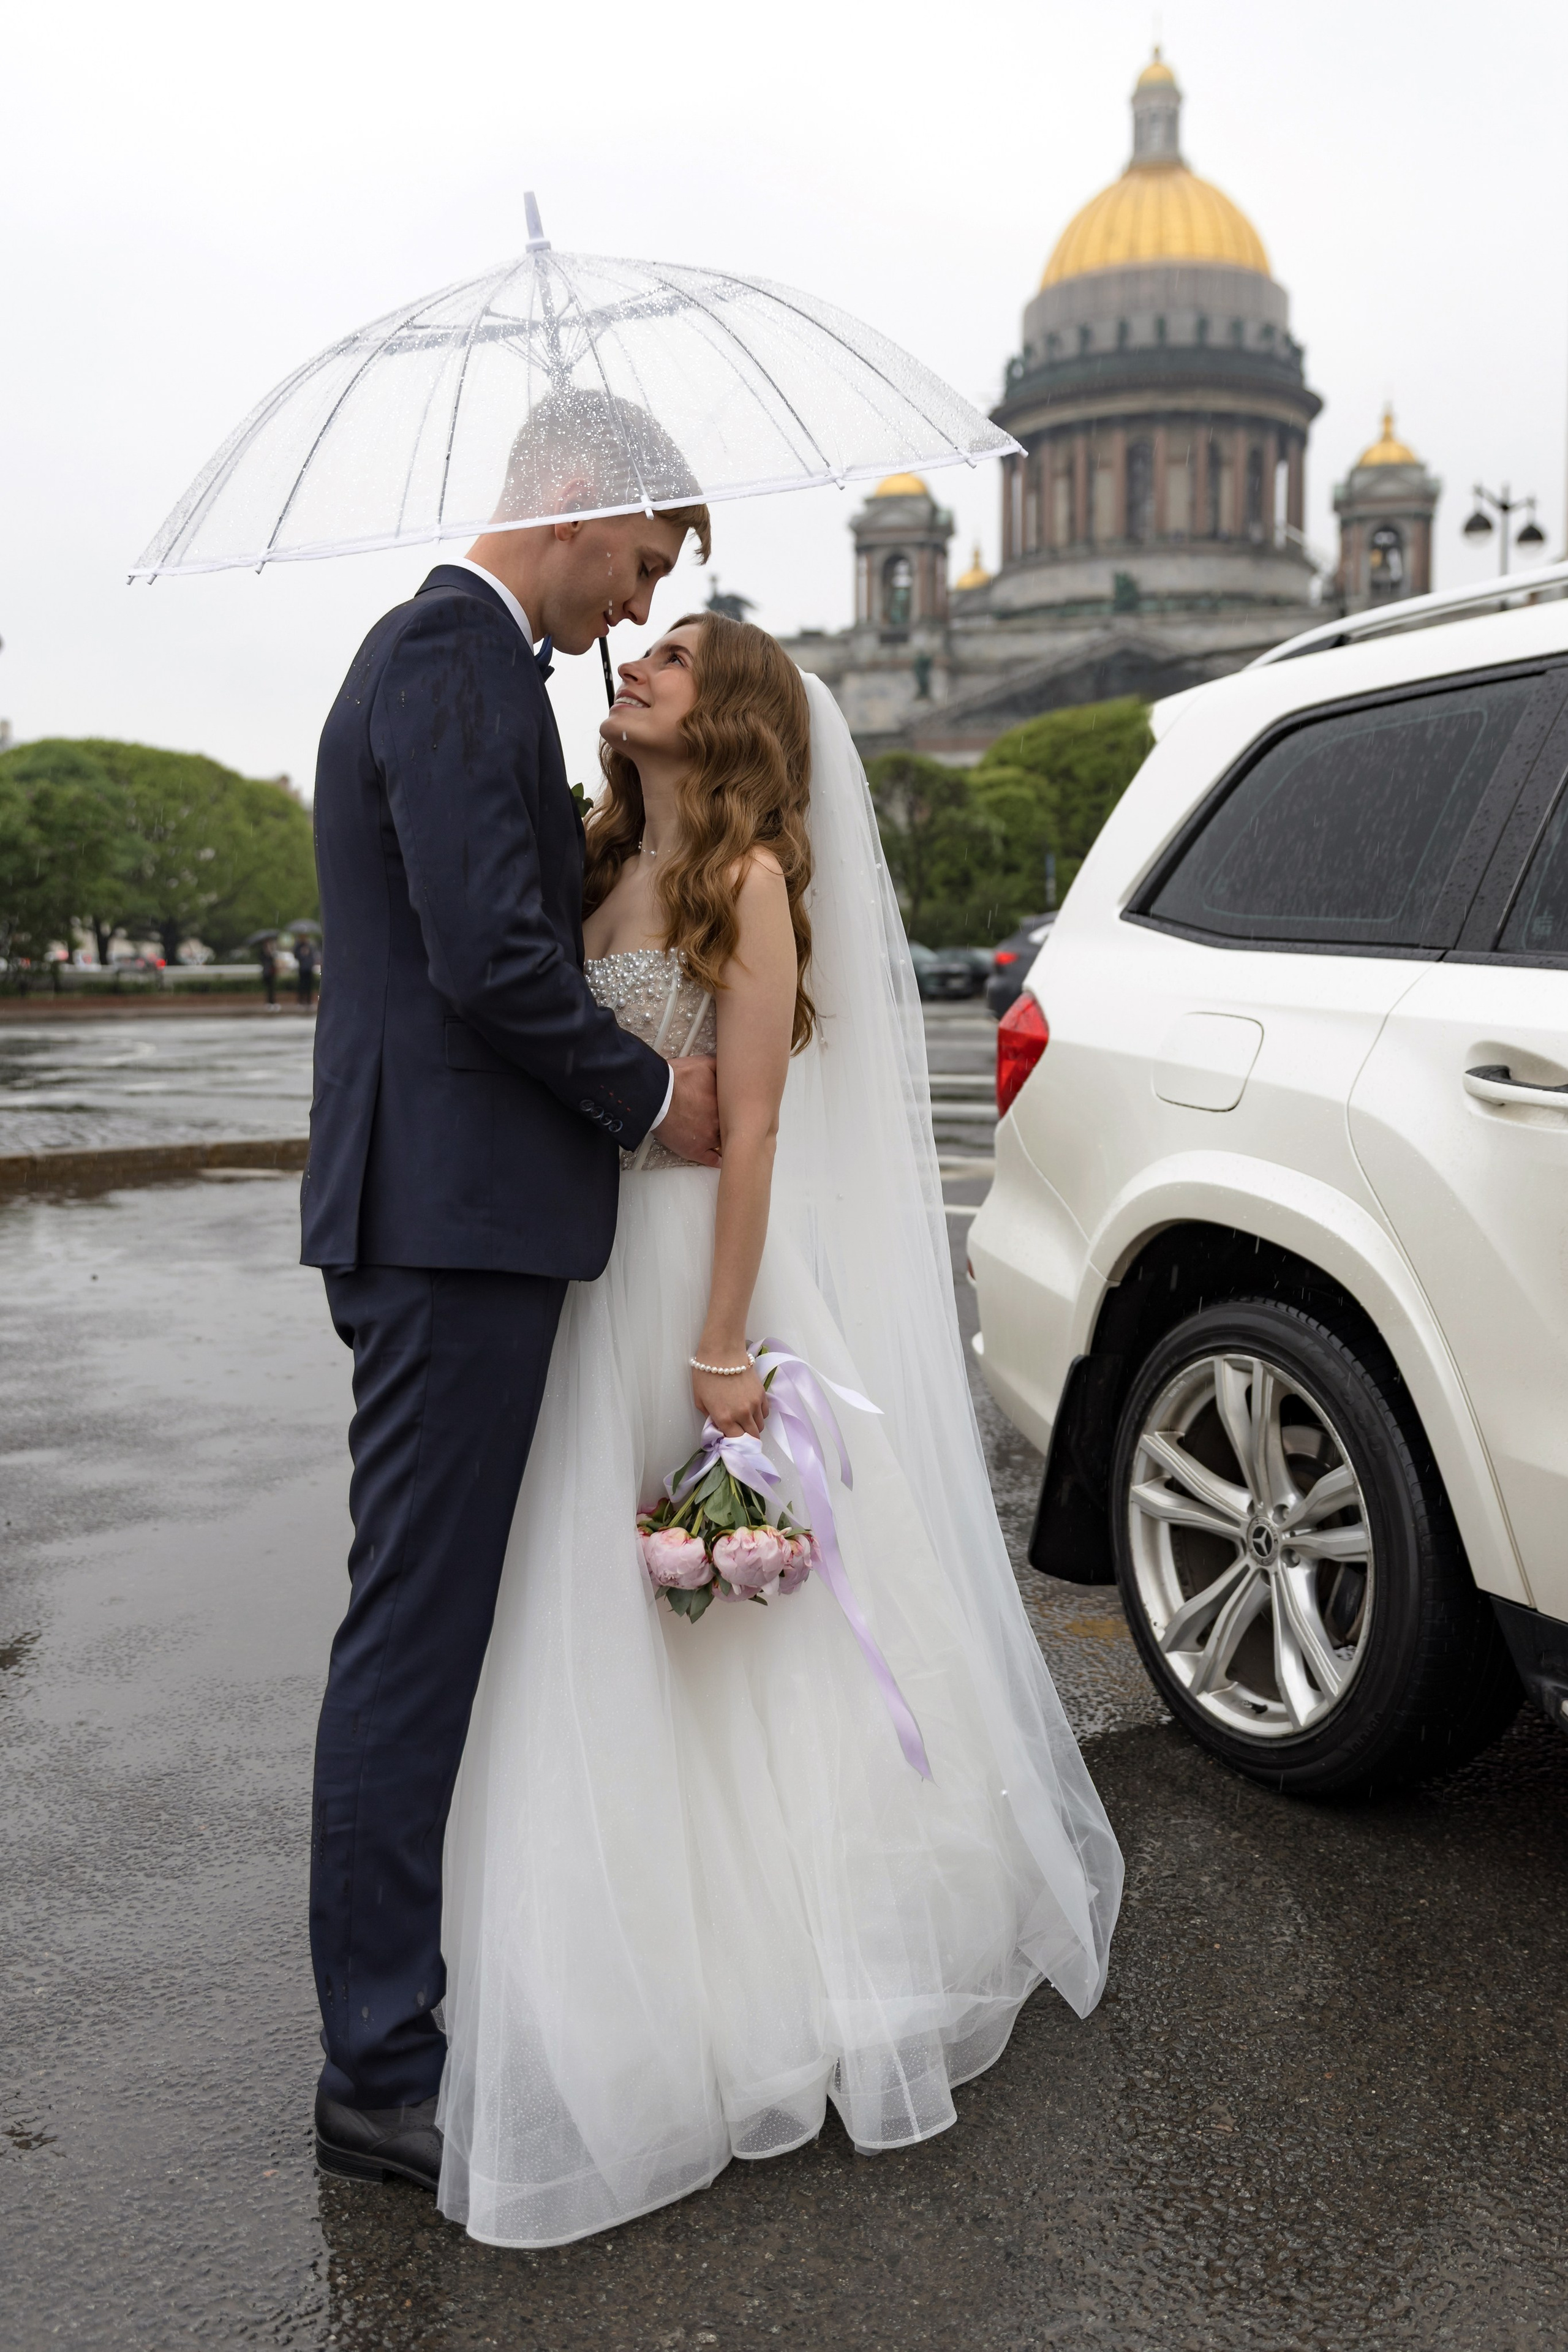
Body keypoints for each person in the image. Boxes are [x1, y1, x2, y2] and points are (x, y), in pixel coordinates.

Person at [434, 614, 1123, 2247]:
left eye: (673, 655)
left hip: (686, 1280)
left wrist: (726, 1340)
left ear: (730, 712)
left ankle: (781, 1974)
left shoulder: (743, 887)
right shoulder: (593, 863)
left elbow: (748, 1139)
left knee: (729, 1621)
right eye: (640, 651)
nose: (637, 667)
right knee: (601, 1616)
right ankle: (611, 1954)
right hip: (576, 1282)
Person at [301, 398, 724, 2193]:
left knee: (427, 1626)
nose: (635, 606)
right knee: (414, 1639)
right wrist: (650, 1095)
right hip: (453, 1218)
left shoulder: (478, 669)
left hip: (454, 1214)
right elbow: (485, 961)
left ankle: (395, 2018)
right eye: (638, 561)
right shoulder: (451, 653)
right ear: (578, 504)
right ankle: (377, 2058)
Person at [295, 934, 318, 1008]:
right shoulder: (299, 947)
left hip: (309, 968)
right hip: (302, 968)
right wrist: (302, 953)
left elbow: (312, 956)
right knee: (302, 985)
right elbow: (296, 955)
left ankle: (309, 1001)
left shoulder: (310, 946)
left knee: (309, 985)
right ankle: (301, 1001)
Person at [258, 935, 278, 1010]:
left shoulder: (272, 952)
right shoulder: (262, 952)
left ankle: (273, 1002)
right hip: (266, 972)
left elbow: (273, 961)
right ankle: (269, 1002)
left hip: (272, 972)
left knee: (272, 988)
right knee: (268, 988)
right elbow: (262, 960)